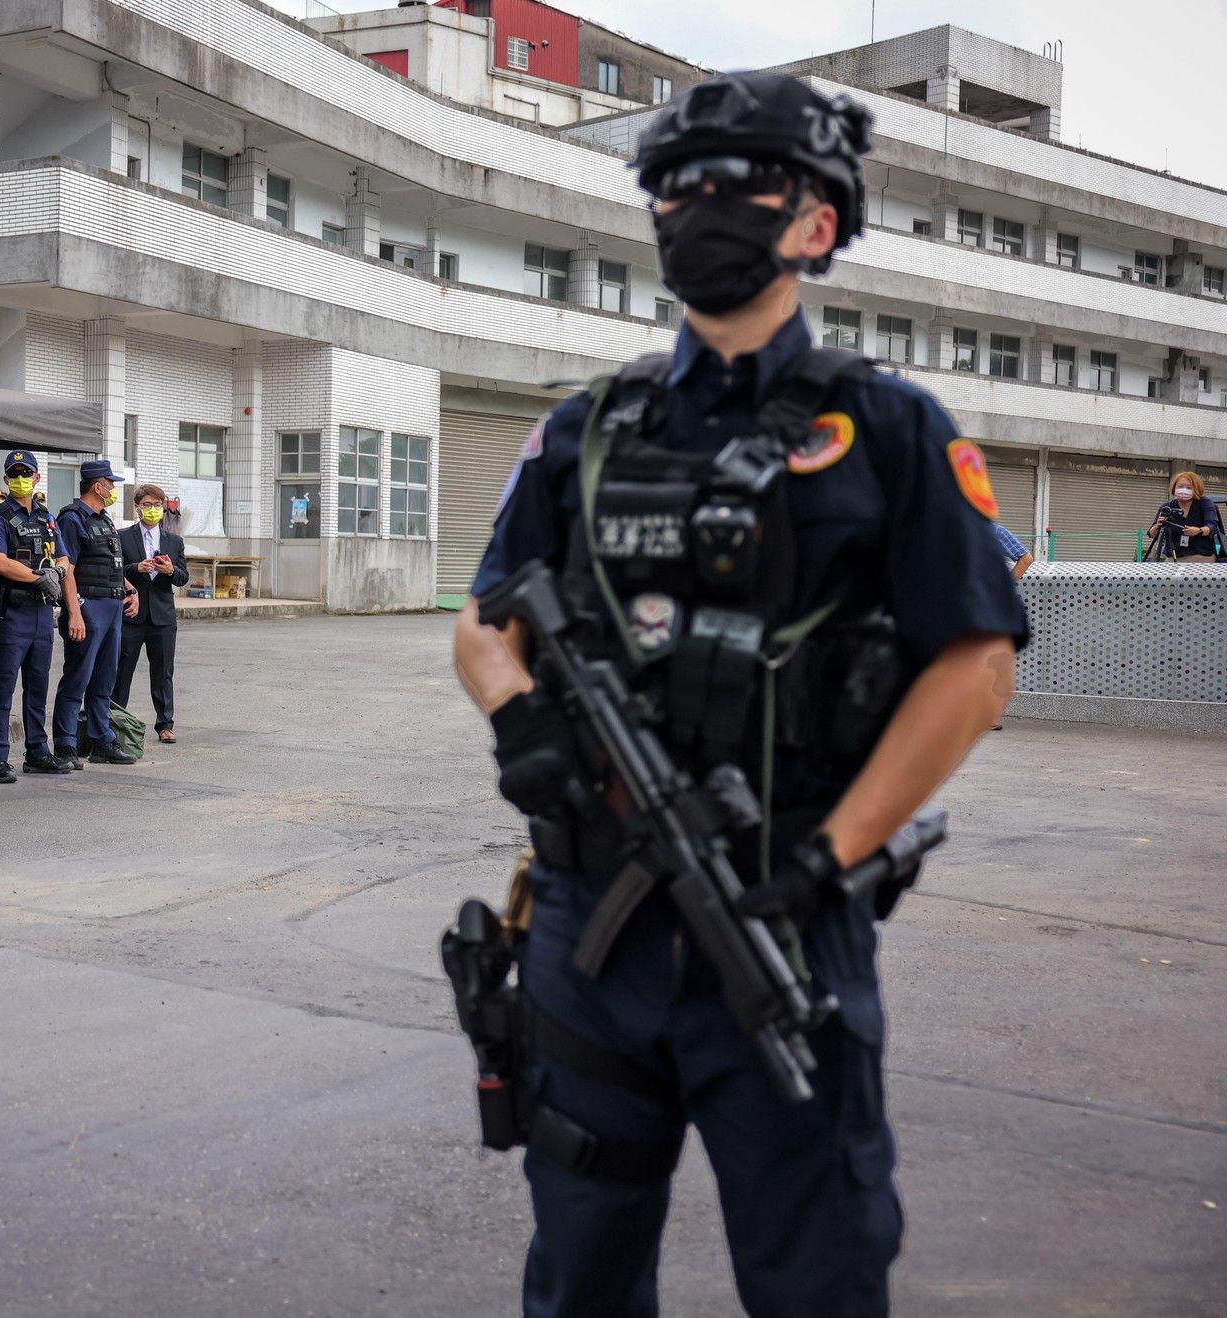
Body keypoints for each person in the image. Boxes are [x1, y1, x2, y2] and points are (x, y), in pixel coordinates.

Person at [450, 73, 1029, 1315]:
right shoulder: (584, 430)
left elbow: (976, 663)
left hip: (782, 915)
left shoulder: (889, 429)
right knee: (581, 1274)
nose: (696, 205)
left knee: (814, 1276)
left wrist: (831, 855)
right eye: (673, 187)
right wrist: (520, 719)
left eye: (734, 184)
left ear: (816, 222)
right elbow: (487, 623)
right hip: (588, 927)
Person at [0, 451, 68, 777]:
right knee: (3, 687)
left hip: (42, 613)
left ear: (37, 477)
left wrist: (57, 574)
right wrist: (38, 577)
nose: (21, 478)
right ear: (6, 479)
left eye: (26, 473)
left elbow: (63, 557)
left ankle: (37, 752)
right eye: (14, 473)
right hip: (13, 612)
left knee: (37, 687)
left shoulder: (46, 517)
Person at [52, 460, 141, 767]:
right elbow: (66, 570)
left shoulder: (104, 519)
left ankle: (101, 740)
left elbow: (111, 564)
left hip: (112, 608)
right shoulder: (72, 519)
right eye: (110, 483)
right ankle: (65, 744)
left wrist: (130, 589)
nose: (113, 488)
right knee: (77, 678)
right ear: (97, 486)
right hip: (88, 608)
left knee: (104, 679)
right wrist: (74, 613)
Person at [117, 483, 188, 744]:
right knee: (122, 670)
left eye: (157, 505)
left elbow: (182, 577)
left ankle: (165, 724)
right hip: (131, 614)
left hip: (162, 616)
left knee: (163, 671)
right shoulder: (122, 537)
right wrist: (136, 568)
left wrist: (169, 571)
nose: (152, 509)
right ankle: (115, 720)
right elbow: (115, 570)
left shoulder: (174, 541)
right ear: (137, 507)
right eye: (147, 505)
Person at [1146, 472, 1219, 562]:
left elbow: (1212, 527)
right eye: (1180, 486)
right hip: (1173, 557)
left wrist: (1198, 531)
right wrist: (1157, 526)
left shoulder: (1205, 503)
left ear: (1196, 489)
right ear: (1174, 487)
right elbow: (1151, 534)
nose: (1183, 490)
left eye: (1189, 487)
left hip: (1200, 556)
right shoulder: (1167, 507)